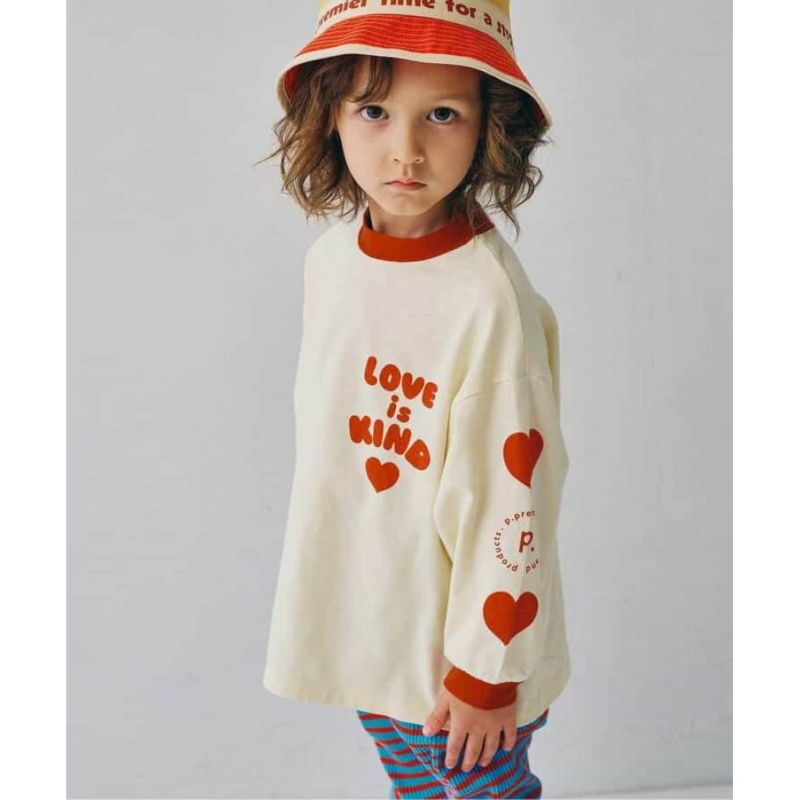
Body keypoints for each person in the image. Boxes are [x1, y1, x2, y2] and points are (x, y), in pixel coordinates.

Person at [260, 2, 572, 797]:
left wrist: (486, 672)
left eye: (442, 114)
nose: (405, 150)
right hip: (373, 627)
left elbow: (512, 493)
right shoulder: (331, 265)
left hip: (463, 663)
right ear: (329, 116)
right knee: (417, 788)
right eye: (373, 110)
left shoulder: (486, 301)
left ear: (489, 125)